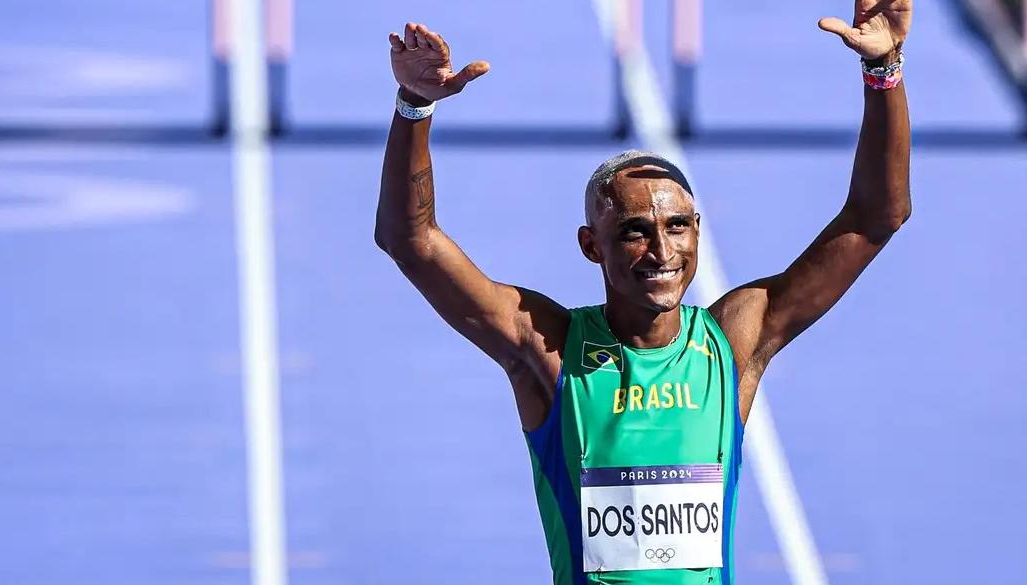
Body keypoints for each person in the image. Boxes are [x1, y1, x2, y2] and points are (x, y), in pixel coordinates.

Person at [375, 2, 912, 582]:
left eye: (677, 226)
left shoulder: (734, 342)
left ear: (697, 231)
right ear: (591, 245)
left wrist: (884, 70)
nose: (661, 251)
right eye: (635, 231)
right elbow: (412, 242)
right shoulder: (548, 348)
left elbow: (876, 217)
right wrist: (415, 107)